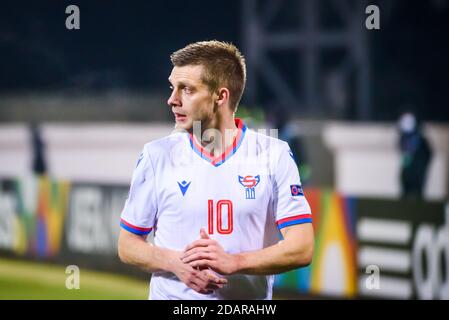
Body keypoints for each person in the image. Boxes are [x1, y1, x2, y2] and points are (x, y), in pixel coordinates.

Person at [118, 40, 314, 300]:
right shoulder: (157, 155)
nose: (172, 100)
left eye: (186, 89)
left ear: (221, 96)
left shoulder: (273, 155)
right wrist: (175, 263)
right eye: (172, 87)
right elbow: (127, 244)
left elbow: (302, 248)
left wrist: (234, 262)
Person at [397, 111, 432, 198]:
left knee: (417, 194)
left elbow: (428, 154)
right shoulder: (403, 139)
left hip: (417, 174)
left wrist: (420, 168)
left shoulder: (420, 140)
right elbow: (405, 157)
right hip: (407, 174)